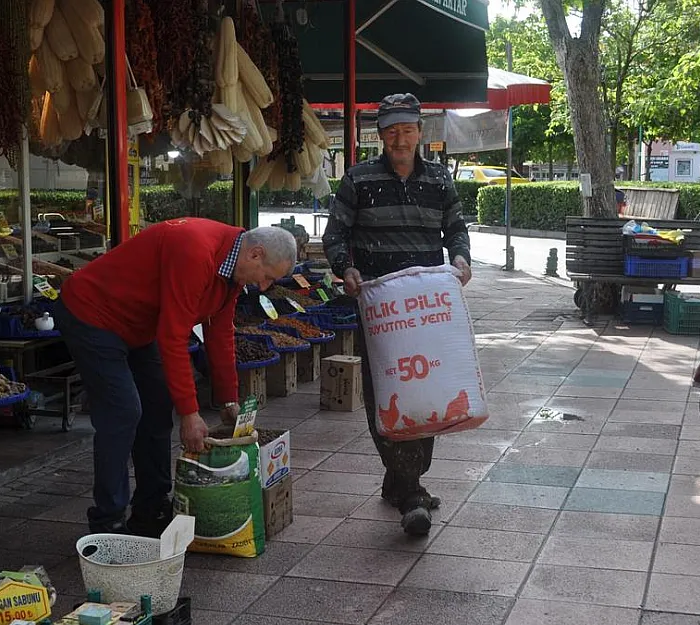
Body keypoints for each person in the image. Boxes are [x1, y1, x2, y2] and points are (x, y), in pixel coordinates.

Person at [54, 218, 297, 537]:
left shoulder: (233, 272)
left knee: (157, 406)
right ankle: (107, 520)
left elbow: (220, 331)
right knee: (124, 412)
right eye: (267, 277)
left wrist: (227, 398)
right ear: (255, 254)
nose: (263, 287)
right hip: (94, 313)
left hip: (141, 324)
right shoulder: (195, 250)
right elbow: (173, 335)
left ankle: (151, 509)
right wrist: (190, 413)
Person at [322, 93, 473, 536]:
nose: (399, 138)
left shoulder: (440, 180)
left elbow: (456, 228)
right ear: (381, 135)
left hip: (429, 311)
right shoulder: (358, 179)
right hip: (381, 311)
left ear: (419, 132)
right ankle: (410, 492)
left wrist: (461, 258)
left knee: (427, 391)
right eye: (391, 131)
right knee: (389, 393)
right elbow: (337, 233)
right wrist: (344, 265)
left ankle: (401, 480)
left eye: (407, 129)